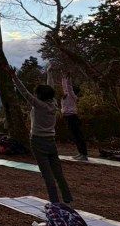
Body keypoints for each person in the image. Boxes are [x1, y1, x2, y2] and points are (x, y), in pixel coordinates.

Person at [7, 64, 73, 205]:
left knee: (47, 175)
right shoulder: (53, 103)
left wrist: (14, 77)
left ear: (39, 96)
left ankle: (55, 202)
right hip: (51, 141)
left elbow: (25, 93)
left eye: (36, 93)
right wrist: (49, 73)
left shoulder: (39, 105)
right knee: (58, 173)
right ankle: (67, 198)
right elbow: (51, 89)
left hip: (38, 141)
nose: (34, 94)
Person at [61, 73, 88, 161]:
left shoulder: (72, 96)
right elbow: (65, 87)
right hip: (68, 118)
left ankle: (84, 154)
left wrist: (68, 78)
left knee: (78, 136)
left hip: (72, 117)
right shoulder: (65, 96)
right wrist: (63, 77)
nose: (66, 90)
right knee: (75, 136)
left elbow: (69, 87)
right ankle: (80, 153)